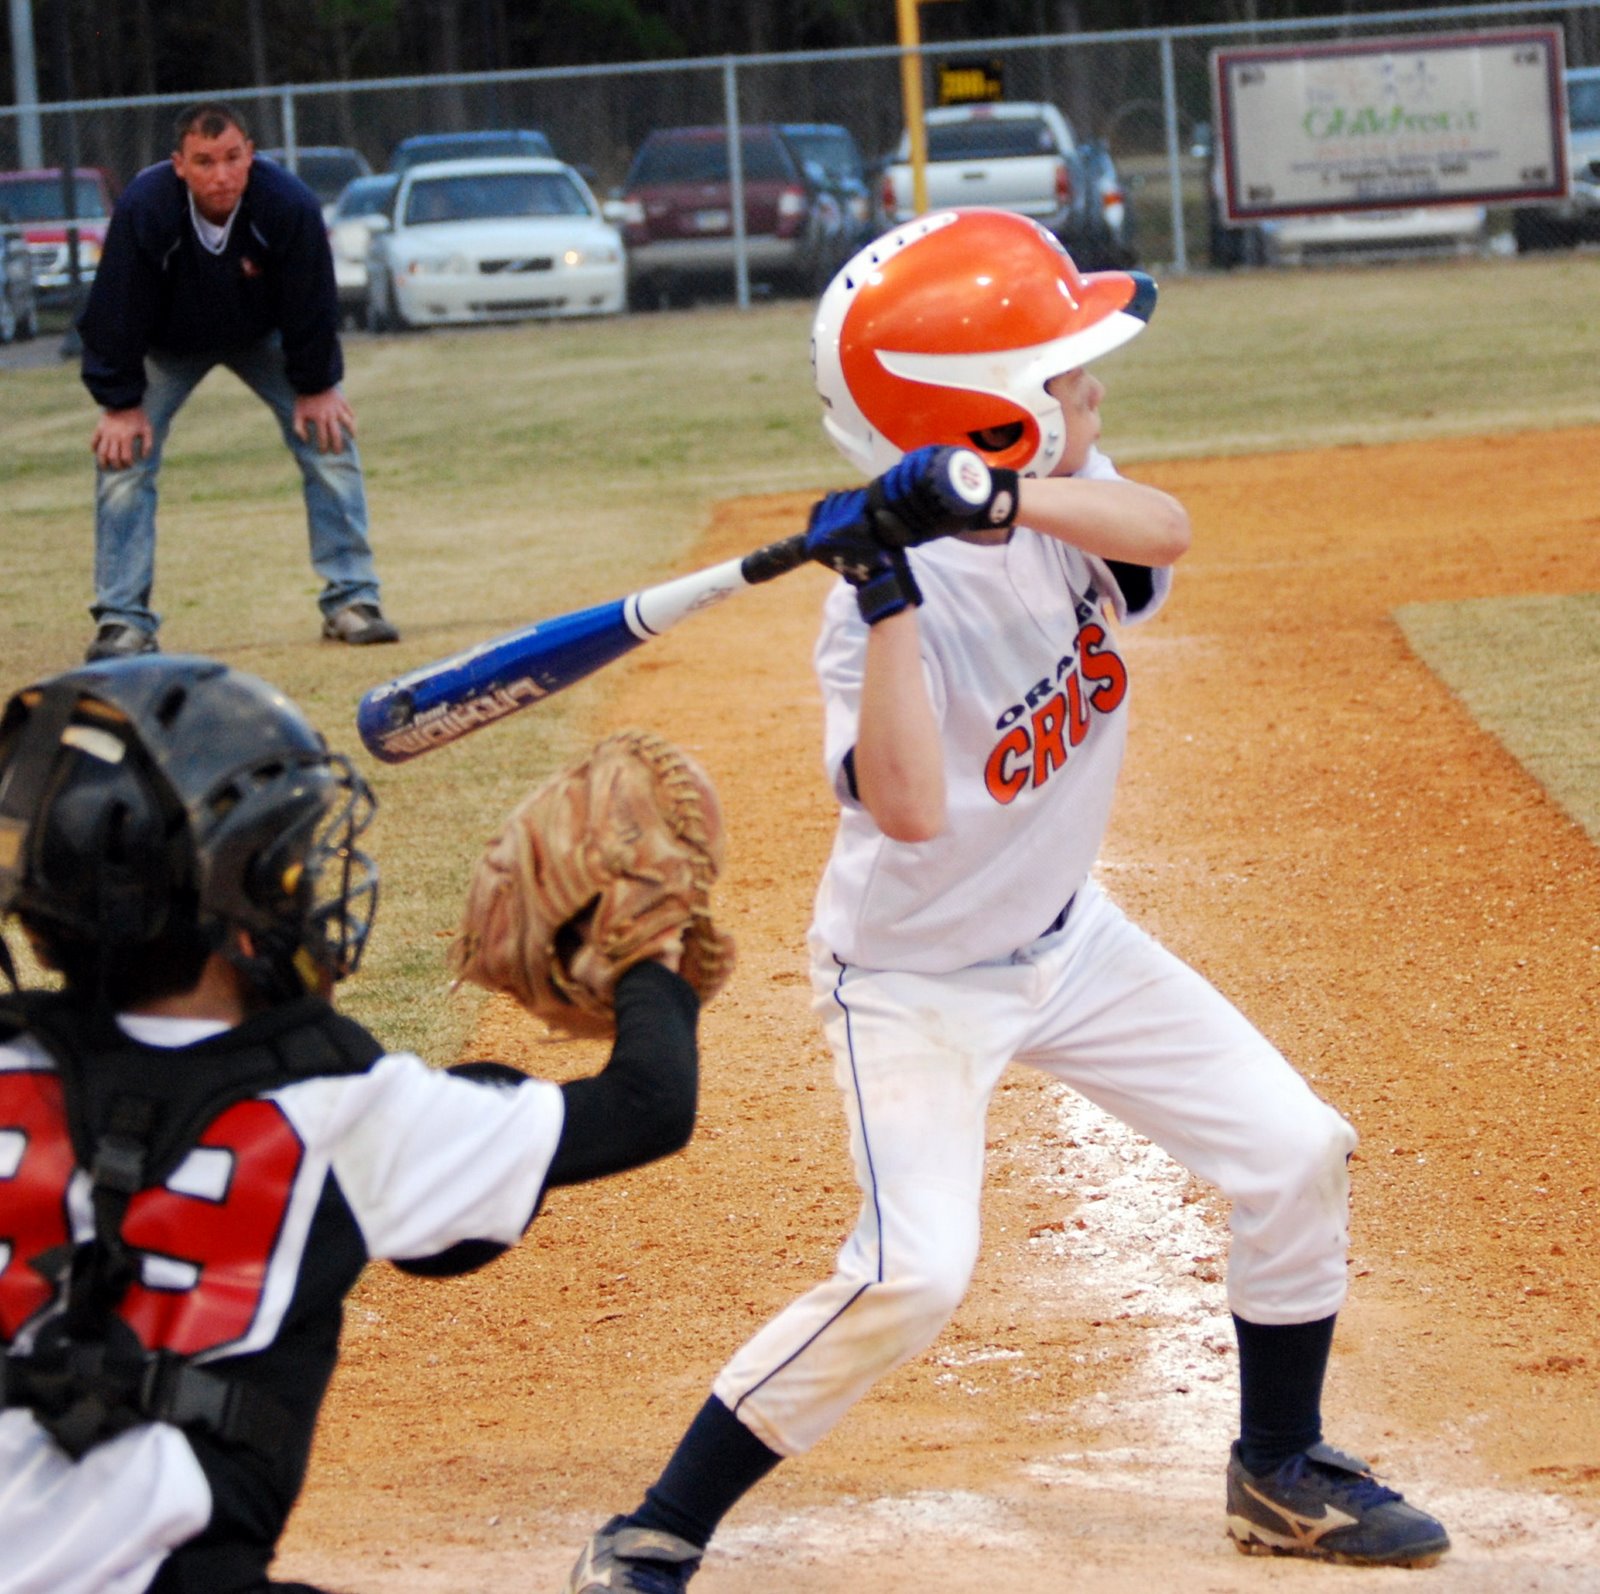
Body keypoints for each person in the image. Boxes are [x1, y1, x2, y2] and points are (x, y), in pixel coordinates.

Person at [559, 208, 1451, 1591]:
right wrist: (890, 586)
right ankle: (662, 1522)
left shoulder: (1063, 504)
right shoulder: (867, 613)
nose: (1092, 390)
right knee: (914, 1271)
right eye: (1064, 372)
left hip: (1068, 940)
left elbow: (1170, 526)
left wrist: (1006, 495)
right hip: (913, 980)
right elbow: (908, 806)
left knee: (1295, 1147)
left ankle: (1279, 1465)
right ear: (982, 412)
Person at [0, 653, 702, 1593]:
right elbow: (649, 1103)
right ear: (239, 910)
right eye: (283, 862)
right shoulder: (344, 1108)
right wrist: (651, 950)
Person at [76, 101, 399, 664]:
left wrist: (318, 384)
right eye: (204, 162)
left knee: (330, 439)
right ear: (179, 165)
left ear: (251, 155)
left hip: (263, 337)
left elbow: (313, 301)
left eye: (232, 158)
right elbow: (115, 307)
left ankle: (353, 600)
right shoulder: (145, 207)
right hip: (168, 345)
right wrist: (119, 402)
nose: (220, 175)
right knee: (122, 456)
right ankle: (123, 621)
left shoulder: (288, 204)